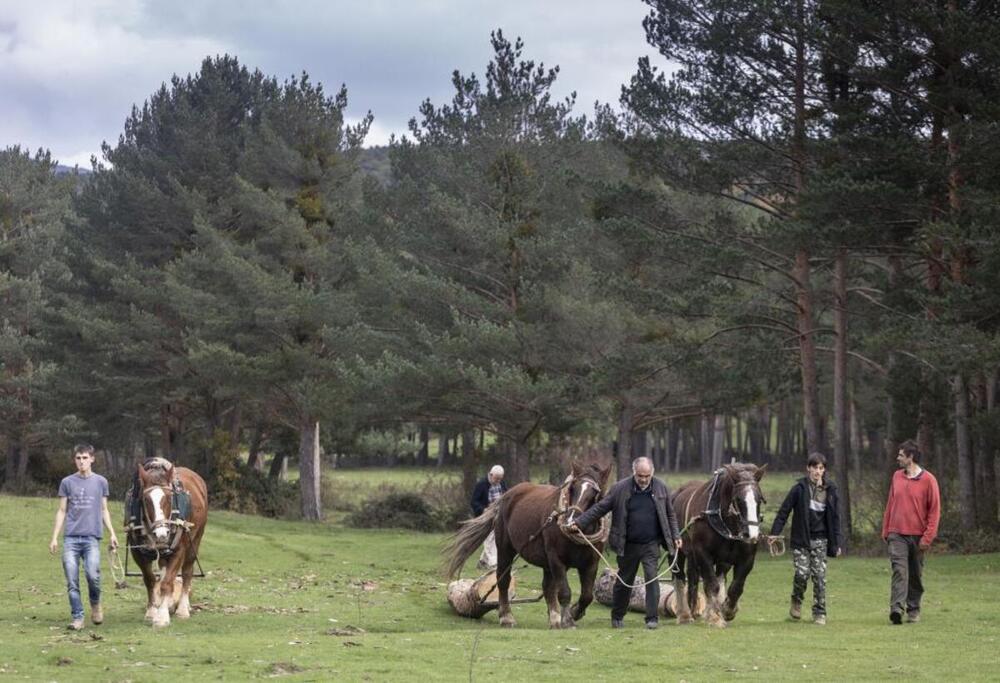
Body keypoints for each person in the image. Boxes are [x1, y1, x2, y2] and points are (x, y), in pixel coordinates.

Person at [567, 457, 682, 629]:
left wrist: (676, 535)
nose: (643, 479)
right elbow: (600, 508)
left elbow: (670, 514)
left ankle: (652, 619)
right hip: (627, 544)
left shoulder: (661, 488)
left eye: (647, 476)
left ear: (652, 473)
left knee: (652, 579)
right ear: (634, 472)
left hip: (651, 544)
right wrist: (580, 522)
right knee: (624, 581)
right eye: (640, 475)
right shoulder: (620, 488)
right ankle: (617, 616)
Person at [49, 444, 119, 630]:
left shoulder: (101, 482)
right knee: (72, 580)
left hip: (91, 538)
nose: (81, 461)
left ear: (92, 459)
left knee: (92, 575)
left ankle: (95, 604)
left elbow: (104, 509)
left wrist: (112, 533)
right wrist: (55, 537)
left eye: (85, 458)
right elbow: (62, 510)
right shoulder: (67, 482)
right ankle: (77, 617)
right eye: (78, 458)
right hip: (71, 538)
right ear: (75, 460)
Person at [768, 452, 842, 626]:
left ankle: (819, 613)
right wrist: (774, 533)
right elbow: (783, 512)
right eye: (815, 467)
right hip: (801, 540)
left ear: (824, 470)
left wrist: (837, 542)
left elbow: (836, 518)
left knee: (819, 576)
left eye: (821, 468)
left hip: (821, 540)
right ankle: (797, 599)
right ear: (808, 468)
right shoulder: (799, 489)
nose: (818, 471)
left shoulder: (831, 490)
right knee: (802, 574)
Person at [882, 439, 940, 625]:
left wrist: (927, 537)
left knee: (915, 574)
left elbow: (934, 511)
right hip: (897, 533)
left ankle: (913, 609)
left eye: (901, 455)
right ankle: (896, 609)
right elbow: (891, 504)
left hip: (918, 536)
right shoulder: (896, 476)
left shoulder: (929, 480)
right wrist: (886, 529)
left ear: (911, 457)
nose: (897, 458)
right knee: (899, 570)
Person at [471, 465, 507, 570]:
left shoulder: (502, 484)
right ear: (491, 475)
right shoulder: (481, 485)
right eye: (496, 478)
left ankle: (483, 562)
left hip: (499, 515)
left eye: (500, 478)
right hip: (485, 516)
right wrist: (484, 510)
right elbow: (474, 502)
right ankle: (493, 564)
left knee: (494, 537)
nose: (498, 481)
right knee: (489, 538)